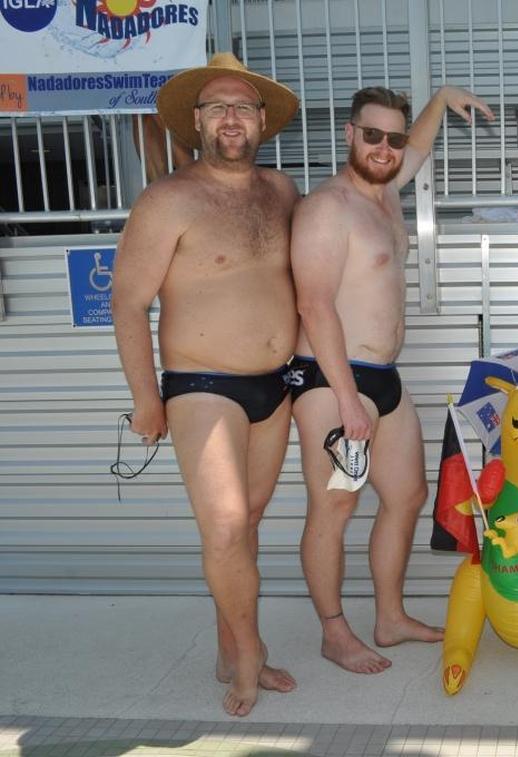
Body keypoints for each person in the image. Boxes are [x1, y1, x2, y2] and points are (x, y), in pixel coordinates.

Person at [111, 52, 301, 717]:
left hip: (275, 386)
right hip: (201, 384)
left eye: (242, 106)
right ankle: (248, 657)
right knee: (223, 526)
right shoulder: (168, 199)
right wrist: (145, 398)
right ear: (196, 121)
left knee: (245, 523)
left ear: (261, 121)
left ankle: (229, 644)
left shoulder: (281, 192)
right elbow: (128, 302)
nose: (230, 117)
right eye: (217, 107)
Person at [287, 84, 493, 674]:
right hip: (334, 380)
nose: (384, 147)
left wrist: (440, 99)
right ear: (349, 134)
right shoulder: (329, 207)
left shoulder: (384, 193)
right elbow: (315, 305)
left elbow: (416, 148)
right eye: (371, 135)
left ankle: (390, 617)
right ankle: (333, 631)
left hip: (382, 374)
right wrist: (348, 400)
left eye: (393, 138)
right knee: (335, 507)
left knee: (407, 496)